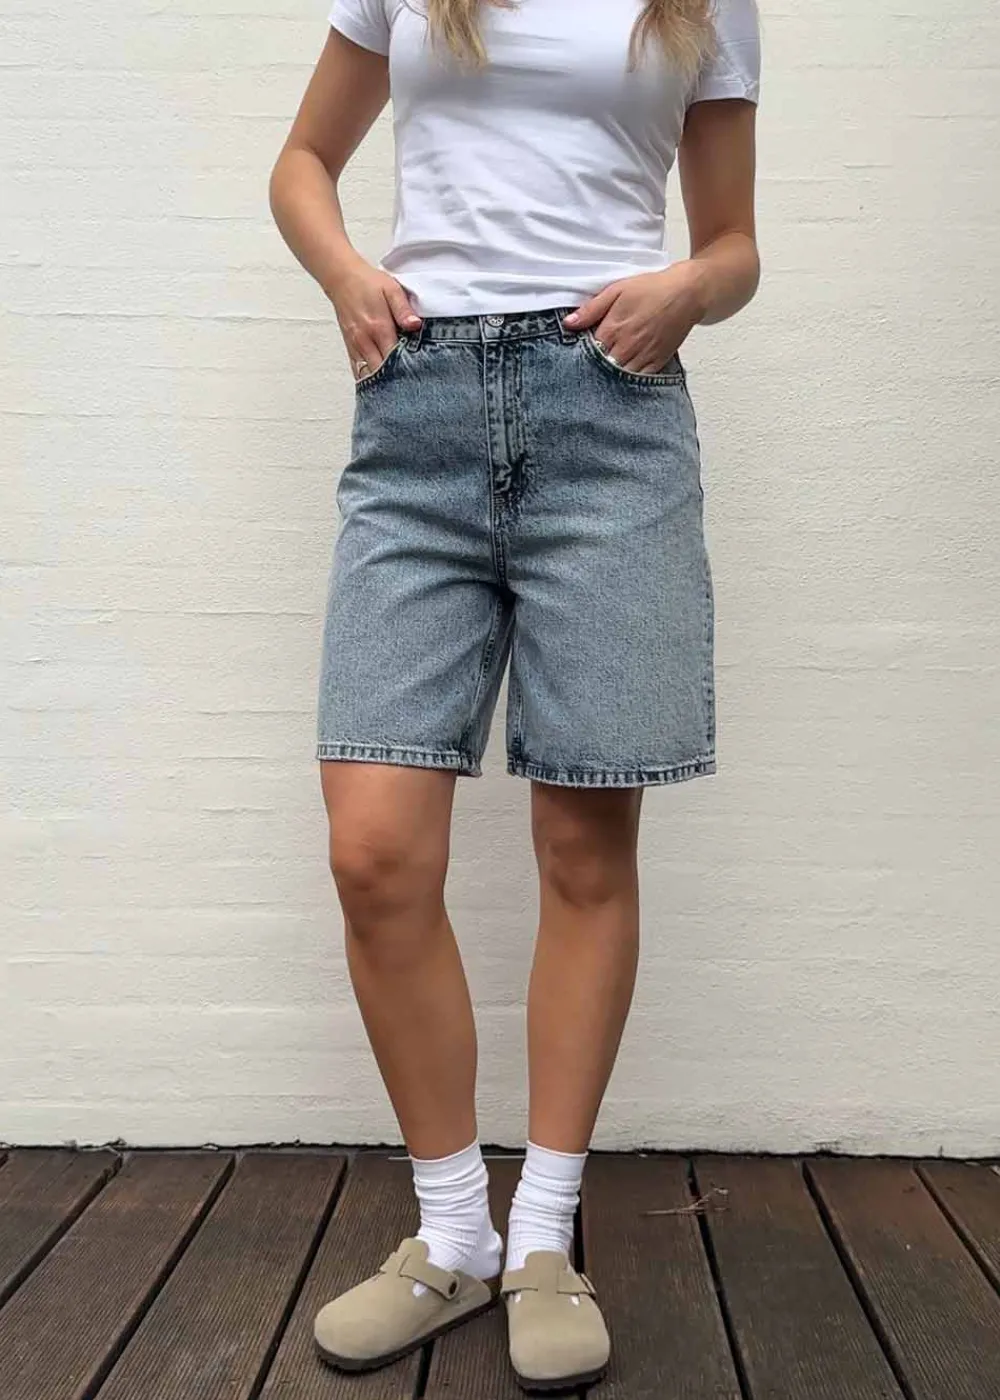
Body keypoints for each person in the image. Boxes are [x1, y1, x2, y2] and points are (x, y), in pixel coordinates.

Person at [269, 0, 760, 1389]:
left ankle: (540, 1236)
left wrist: (684, 290)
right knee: (374, 850)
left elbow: (735, 245)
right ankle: (451, 1232)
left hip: (610, 414)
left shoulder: (702, 5)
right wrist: (348, 276)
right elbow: (302, 162)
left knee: (582, 846)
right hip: (416, 409)